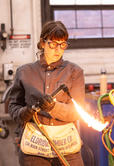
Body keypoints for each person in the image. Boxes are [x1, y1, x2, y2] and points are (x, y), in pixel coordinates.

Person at [8, 21, 85, 166]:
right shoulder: (24, 72)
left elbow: (76, 112)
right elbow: (13, 107)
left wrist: (53, 107)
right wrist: (25, 112)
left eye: (63, 45)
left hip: (66, 147)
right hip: (34, 148)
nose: (58, 49)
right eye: (53, 44)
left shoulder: (75, 72)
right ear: (42, 43)